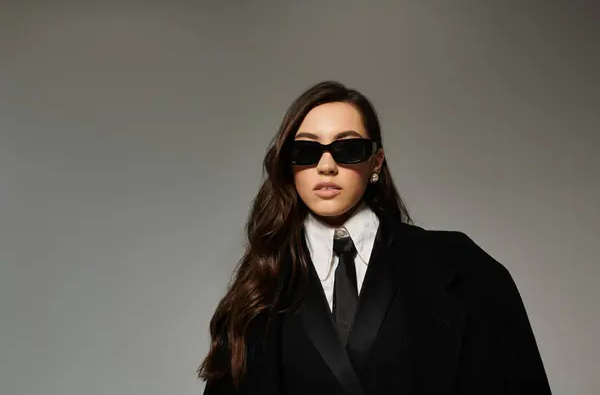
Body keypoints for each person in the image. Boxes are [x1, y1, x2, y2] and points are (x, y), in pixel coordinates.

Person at [197, 81, 551, 394]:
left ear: (376, 162)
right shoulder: (260, 285)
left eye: (347, 149)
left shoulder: (459, 266)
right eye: (306, 151)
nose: (326, 166)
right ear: (289, 167)